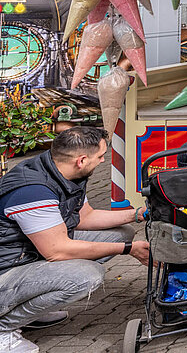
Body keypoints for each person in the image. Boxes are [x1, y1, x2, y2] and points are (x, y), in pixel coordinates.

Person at [0, 127, 149, 353]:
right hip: (7, 269)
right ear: (81, 160)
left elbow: (84, 217)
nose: (101, 162)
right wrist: (128, 250)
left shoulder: (62, 171)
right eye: (100, 157)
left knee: (122, 232)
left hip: (26, 253)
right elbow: (57, 251)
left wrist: (139, 214)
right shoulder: (33, 190)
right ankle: (4, 328)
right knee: (86, 276)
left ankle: (30, 309)